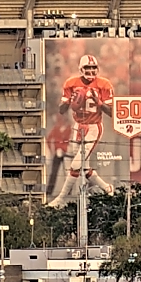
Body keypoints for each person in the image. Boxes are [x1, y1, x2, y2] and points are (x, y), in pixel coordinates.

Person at [48, 54, 116, 206]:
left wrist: (99, 102)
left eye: (93, 67)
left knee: (75, 165)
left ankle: (60, 198)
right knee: (84, 169)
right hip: (78, 126)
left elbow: (112, 112)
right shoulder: (71, 83)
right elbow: (61, 110)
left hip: (94, 127)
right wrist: (71, 101)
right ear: (81, 69)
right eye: (87, 67)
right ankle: (107, 187)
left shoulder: (104, 84)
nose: (91, 70)